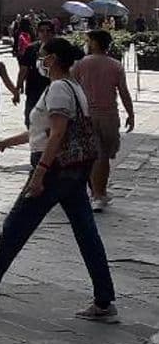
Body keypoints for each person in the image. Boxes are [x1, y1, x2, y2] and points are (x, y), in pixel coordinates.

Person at [0, 37, 116, 322]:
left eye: (43, 55)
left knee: (15, 226)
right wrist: (3, 143)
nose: (39, 59)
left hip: (53, 170)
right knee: (87, 234)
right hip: (74, 169)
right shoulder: (74, 88)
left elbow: (56, 134)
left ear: (52, 59)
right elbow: (41, 132)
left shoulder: (57, 90)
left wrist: (39, 173)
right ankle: (105, 300)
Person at [73, 30, 135, 212]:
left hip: (86, 114)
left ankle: (97, 194)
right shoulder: (115, 65)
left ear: (94, 43)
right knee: (104, 157)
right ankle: (99, 193)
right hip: (109, 116)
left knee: (95, 156)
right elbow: (123, 91)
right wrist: (131, 114)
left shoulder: (81, 64)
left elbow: (72, 87)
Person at [15, 19, 55, 126]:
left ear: (53, 33)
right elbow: (23, 70)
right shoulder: (31, 49)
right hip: (33, 90)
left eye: (48, 31)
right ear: (38, 33)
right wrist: (17, 89)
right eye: (42, 31)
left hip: (53, 91)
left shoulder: (59, 48)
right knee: (30, 121)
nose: (45, 34)